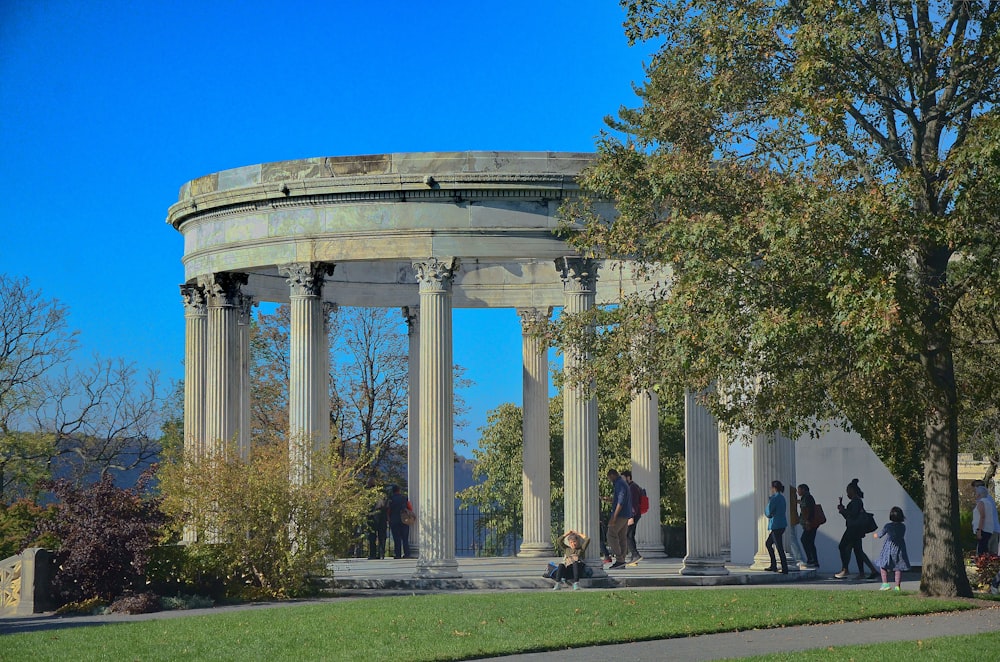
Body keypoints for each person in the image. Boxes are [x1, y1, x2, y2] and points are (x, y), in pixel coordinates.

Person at [835, 478, 878, 579]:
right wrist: (842, 510)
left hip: (853, 529)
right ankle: (867, 571)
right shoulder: (858, 501)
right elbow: (850, 516)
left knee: (842, 546)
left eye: (848, 491)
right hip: (857, 529)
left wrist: (843, 510)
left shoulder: (855, 501)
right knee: (858, 551)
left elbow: (853, 515)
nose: (847, 494)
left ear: (852, 490)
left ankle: (845, 569)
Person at [873, 506, 910, 591]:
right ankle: (897, 586)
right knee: (898, 567)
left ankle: (885, 584)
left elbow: (880, 534)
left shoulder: (888, 526)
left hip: (889, 549)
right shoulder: (903, 526)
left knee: (883, 565)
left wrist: (875, 535)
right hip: (900, 548)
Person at [605, 468, 632, 569]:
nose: (610, 480)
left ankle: (619, 558)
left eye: (609, 478)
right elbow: (620, 500)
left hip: (620, 514)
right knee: (621, 537)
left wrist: (614, 517)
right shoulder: (624, 483)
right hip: (626, 514)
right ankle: (622, 561)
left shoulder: (619, 484)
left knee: (611, 534)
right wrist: (611, 500)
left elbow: (620, 502)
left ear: (612, 475)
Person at [764, 480, 789, 574]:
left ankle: (784, 568)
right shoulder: (782, 498)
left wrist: (769, 502)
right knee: (768, 543)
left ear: (774, 488)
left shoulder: (775, 498)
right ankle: (773, 565)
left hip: (776, 525)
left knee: (779, 547)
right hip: (781, 524)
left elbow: (768, 512)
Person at [971, 480, 1000, 555]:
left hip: (985, 530)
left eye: (975, 489)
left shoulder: (982, 501)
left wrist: (979, 530)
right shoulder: (990, 499)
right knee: (992, 555)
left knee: (982, 554)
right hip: (994, 529)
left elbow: (982, 516)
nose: (974, 492)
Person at [622, 470, 643, 563]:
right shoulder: (631, 487)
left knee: (628, 535)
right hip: (634, 514)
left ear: (628, 477)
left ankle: (635, 555)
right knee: (630, 534)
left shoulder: (632, 487)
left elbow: (633, 503)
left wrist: (631, 517)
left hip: (633, 515)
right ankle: (634, 557)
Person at [387, 485, 414, 559]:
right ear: (399, 490)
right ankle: (407, 554)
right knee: (405, 538)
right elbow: (410, 508)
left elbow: (388, 510)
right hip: (404, 520)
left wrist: (389, 518)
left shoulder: (391, 499)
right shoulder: (404, 498)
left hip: (394, 520)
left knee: (396, 538)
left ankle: (397, 554)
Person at [797, 484, 819, 568]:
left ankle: (811, 559)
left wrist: (808, 521)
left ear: (803, 490)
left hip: (810, 524)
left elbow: (810, 510)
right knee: (809, 542)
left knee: (805, 540)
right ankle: (813, 560)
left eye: (799, 490)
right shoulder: (806, 498)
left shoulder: (808, 497)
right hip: (809, 523)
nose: (798, 491)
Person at [365, 477, 388, 559]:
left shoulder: (367, 493)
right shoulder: (382, 493)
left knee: (372, 535)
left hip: (372, 516)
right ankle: (381, 554)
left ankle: (372, 554)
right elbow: (386, 505)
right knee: (382, 536)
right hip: (382, 516)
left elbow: (365, 505)